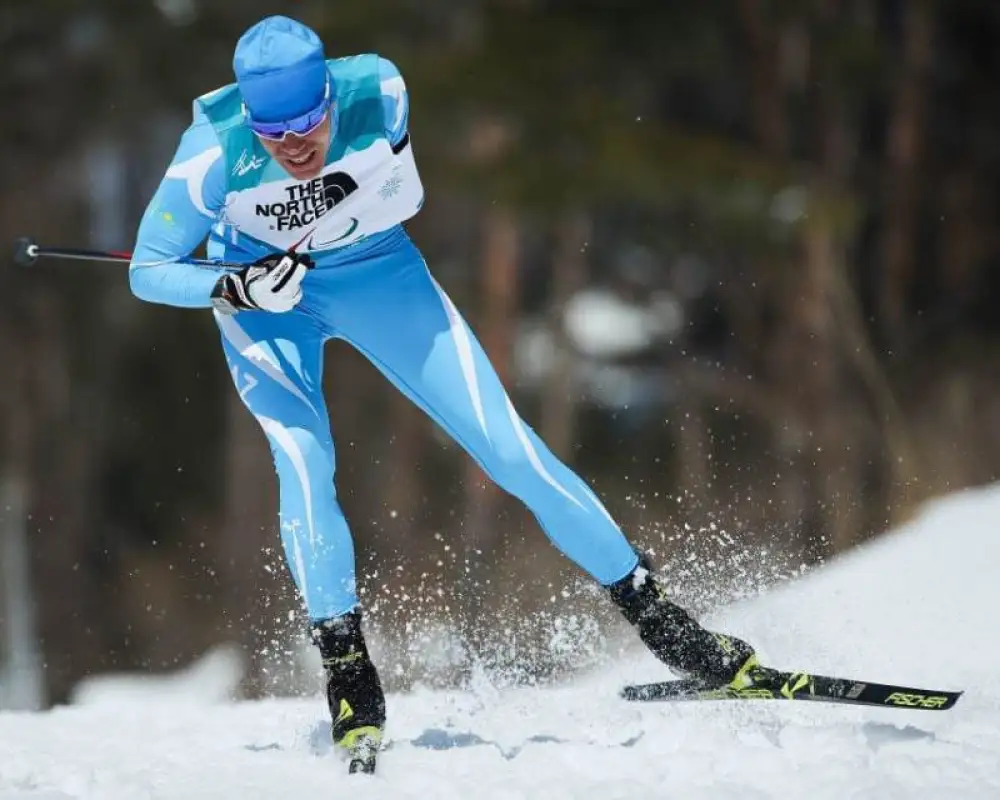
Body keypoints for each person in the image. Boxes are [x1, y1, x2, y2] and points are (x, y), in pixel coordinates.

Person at [128, 15, 758, 763]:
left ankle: (665, 623)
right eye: (275, 133)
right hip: (269, 306)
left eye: (310, 120)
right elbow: (147, 270)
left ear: (331, 94)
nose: (296, 144)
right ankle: (348, 671)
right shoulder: (210, 150)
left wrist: (310, 233)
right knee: (303, 462)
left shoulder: (382, 90)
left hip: (376, 273)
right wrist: (234, 285)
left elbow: (395, 202)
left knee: (508, 449)